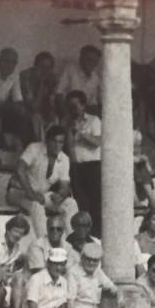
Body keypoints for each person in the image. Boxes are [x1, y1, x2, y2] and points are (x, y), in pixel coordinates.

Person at [11, 124, 78, 237]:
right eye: (54, 141)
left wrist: (60, 195)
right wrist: (30, 193)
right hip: (17, 192)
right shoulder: (34, 148)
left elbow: (65, 186)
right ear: (47, 140)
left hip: (40, 196)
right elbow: (20, 169)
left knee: (71, 203)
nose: (57, 145)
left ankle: (73, 239)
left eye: (61, 142)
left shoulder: (64, 158)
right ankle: (44, 242)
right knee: (37, 206)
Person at [65, 91, 102, 236]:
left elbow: (97, 142)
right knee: (81, 203)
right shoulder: (68, 123)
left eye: (75, 105)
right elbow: (69, 148)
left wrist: (80, 133)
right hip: (76, 167)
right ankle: (84, 235)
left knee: (96, 203)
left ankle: (97, 235)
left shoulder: (94, 121)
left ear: (83, 105)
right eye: (70, 106)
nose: (73, 109)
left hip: (92, 166)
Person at [57, 45, 102, 111]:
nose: (91, 63)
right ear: (81, 58)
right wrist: (64, 114)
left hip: (83, 113)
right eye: (89, 60)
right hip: (67, 110)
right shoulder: (70, 69)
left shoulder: (95, 78)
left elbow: (93, 103)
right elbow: (58, 93)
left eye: (95, 61)